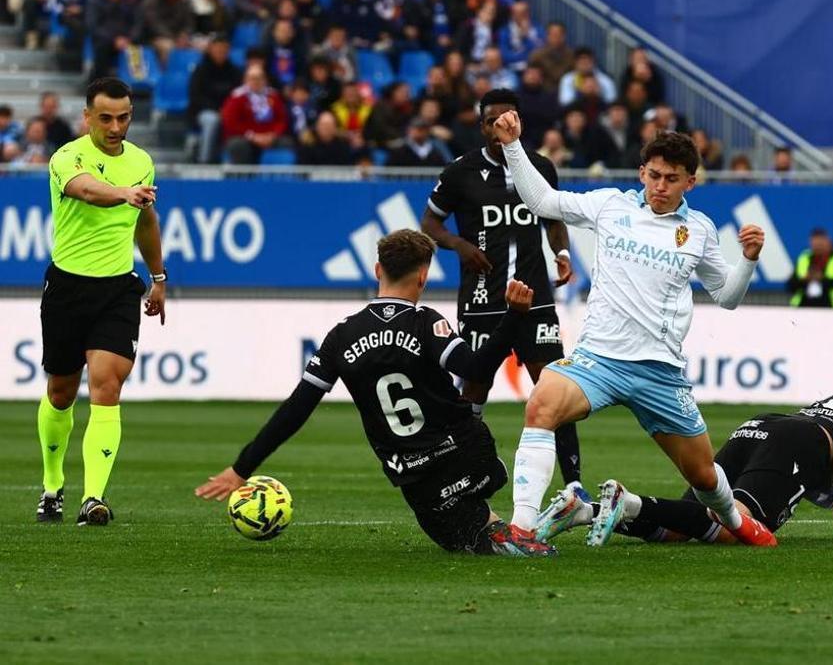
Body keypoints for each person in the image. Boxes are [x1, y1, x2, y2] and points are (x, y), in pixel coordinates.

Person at [489, 108, 775, 547]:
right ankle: (522, 530)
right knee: (540, 405)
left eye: (672, 178)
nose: (660, 186)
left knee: (701, 473)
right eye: (654, 175)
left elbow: (728, 297)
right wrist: (512, 146)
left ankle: (737, 524)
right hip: (598, 360)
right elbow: (543, 202)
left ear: (690, 182)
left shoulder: (698, 230)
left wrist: (750, 260)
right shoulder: (610, 204)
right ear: (642, 171)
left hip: (659, 371)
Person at [194, 231, 555, 557]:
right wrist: (515, 317)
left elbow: (296, 409)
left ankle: (506, 525)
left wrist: (242, 468)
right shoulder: (426, 322)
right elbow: (476, 370)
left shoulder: (341, 336)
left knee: (465, 540)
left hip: (416, 483)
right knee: (487, 522)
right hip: (469, 457)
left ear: (377, 269)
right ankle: (537, 517)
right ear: (424, 276)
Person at [419, 89, 584, 489]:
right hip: (482, 300)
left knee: (552, 388)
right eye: (493, 121)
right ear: (482, 126)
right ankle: (461, 471)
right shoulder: (459, 172)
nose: (500, 128)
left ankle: (575, 486)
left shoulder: (540, 167)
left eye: (507, 119)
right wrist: (459, 245)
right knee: (474, 386)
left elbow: (553, 217)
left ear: (519, 122)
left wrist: (561, 252)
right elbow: (430, 223)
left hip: (535, 299)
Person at [538, 377, 833, 545]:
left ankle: (585, 511)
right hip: (800, 444)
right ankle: (629, 501)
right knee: (734, 528)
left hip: (765, 427)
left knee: (680, 526)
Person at [35, 78, 166, 526]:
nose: (115, 127)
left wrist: (159, 277)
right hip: (68, 288)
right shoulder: (66, 157)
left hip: (117, 289)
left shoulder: (142, 162)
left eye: (124, 117)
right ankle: (52, 486)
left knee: (107, 386)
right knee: (61, 392)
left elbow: (146, 221)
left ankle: (93, 498)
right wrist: (123, 194)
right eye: (106, 117)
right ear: (87, 116)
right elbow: (87, 190)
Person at [220, 64, 291, 164]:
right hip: (245, 137)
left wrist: (272, 135)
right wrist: (252, 136)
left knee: (287, 143)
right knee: (237, 145)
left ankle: (282, 178)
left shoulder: (273, 96)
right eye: (252, 78)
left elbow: (281, 119)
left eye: (259, 78)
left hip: (269, 137)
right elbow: (231, 123)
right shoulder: (237, 97)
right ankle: (241, 179)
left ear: (265, 80)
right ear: (245, 80)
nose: (256, 81)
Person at [188, 38, 242, 164]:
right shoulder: (200, 70)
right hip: (204, 111)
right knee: (212, 120)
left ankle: (232, 162)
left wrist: (227, 110)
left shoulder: (234, 71)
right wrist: (218, 110)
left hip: (229, 110)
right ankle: (205, 160)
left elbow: (237, 94)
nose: (221, 52)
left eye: (224, 49)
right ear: (211, 49)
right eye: (218, 49)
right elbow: (196, 96)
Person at [387, 117, 452, 167]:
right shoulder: (399, 149)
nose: (419, 132)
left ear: (427, 131)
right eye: (416, 128)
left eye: (422, 129)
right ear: (409, 130)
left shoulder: (436, 149)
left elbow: (445, 166)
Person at [527, 21, 571, 90]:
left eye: (559, 35)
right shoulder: (537, 55)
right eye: (553, 35)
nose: (556, 38)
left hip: (565, 92)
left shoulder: (571, 56)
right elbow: (529, 76)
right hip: (542, 92)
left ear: (564, 37)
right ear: (547, 36)